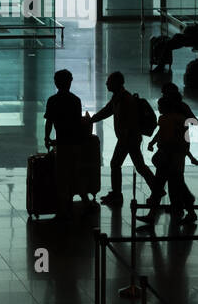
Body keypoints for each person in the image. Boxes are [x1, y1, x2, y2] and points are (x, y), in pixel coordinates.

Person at [90, 71, 157, 206]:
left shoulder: (126, 100)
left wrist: (125, 139)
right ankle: (157, 189)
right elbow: (106, 111)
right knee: (139, 166)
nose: (106, 83)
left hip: (128, 139)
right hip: (129, 138)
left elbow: (130, 121)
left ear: (116, 83)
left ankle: (117, 195)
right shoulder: (118, 98)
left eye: (109, 81)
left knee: (116, 164)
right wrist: (91, 120)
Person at [140, 95, 197, 229]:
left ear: (165, 107)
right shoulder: (178, 120)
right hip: (173, 158)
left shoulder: (167, 119)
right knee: (173, 185)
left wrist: (154, 143)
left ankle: (152, 214)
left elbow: (165, 135)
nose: (158, 108)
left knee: (160, 187)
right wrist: (188, 155)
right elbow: (182, 141)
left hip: (168, 158)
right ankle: (189, 210)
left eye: (160, 106)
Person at [44, 69, 90, 211]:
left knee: (62, 173)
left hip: (62, 142)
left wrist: (47, 137)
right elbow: (77, 123)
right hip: (75, 142)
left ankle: (64, 202)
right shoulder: (75, 100)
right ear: (70, 82)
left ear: (56, 83)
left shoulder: (53, 100)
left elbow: (49, 122)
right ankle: (83, 199)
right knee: (76, 171)